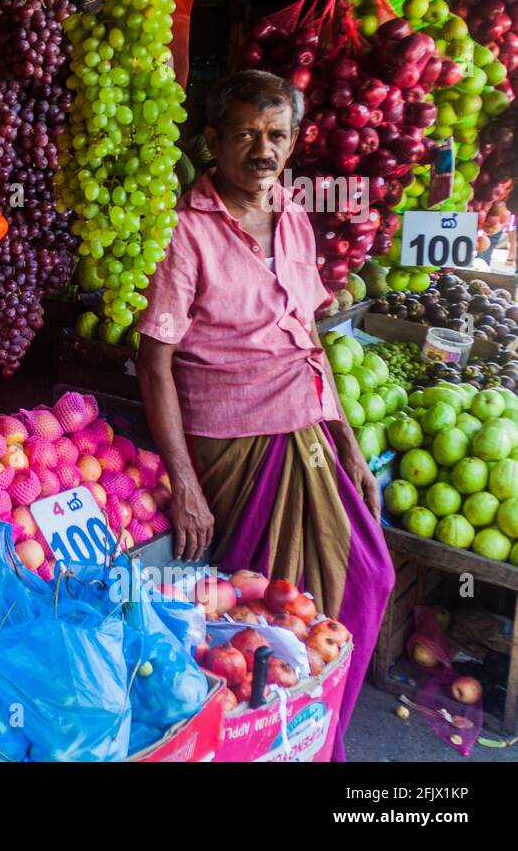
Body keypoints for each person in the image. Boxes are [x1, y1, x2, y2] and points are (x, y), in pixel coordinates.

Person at [134, 70, 395, 761]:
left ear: (292, 142)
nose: (261, 149)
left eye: (276, 135)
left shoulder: (294, 215)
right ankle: (269, 747)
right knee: (263, 620)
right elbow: (153, 362)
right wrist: (184, 482)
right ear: (214, 141)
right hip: (233, 442)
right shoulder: (185, 231)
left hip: (305, 425)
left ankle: (315, 740)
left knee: (367, 577)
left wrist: (350, 447)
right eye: (245, 134)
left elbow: (310, 339)